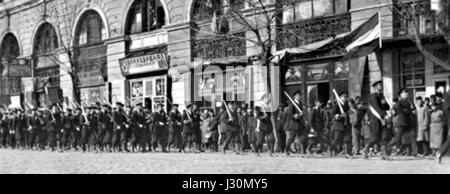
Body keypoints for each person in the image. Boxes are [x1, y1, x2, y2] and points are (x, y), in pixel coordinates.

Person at [362, 81, 390, 160]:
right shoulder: (373, 97)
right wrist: (384, 115)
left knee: (384, 136)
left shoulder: (381, 96)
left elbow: (387, 107)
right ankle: (365, 150)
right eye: (379, 85)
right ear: (375, 87)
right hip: (376, 119)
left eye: (381, 85)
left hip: (382, 118)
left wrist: (384, 103)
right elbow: (376, 108)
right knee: (374, 136)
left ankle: (384, 154)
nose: (381, 86)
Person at [388, 88, 417, 157]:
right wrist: (410, 111)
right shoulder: (399, 102)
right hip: (402, 122)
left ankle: (414, 153)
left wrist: (413, 109)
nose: (407, 93)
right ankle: (388, 147)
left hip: (409, 122)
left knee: (412, 136)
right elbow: (400, 110)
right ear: (401, 94)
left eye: (407, 92)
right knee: (397, 137)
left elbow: (413, 109)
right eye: (405, 92)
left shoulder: (409, 102)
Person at [284, 91, 306, 156]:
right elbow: (290, 115)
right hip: (293, 124)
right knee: (291, 138)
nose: (300, 97)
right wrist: (295, 116)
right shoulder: (292, 104)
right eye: (298, 96)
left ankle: (302, 151)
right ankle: (286, 150)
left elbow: (302, 113)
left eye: (300, 95)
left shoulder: (300, 104)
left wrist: (302, 114)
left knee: (302, 137)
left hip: (300, 124)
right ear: (295, 96)